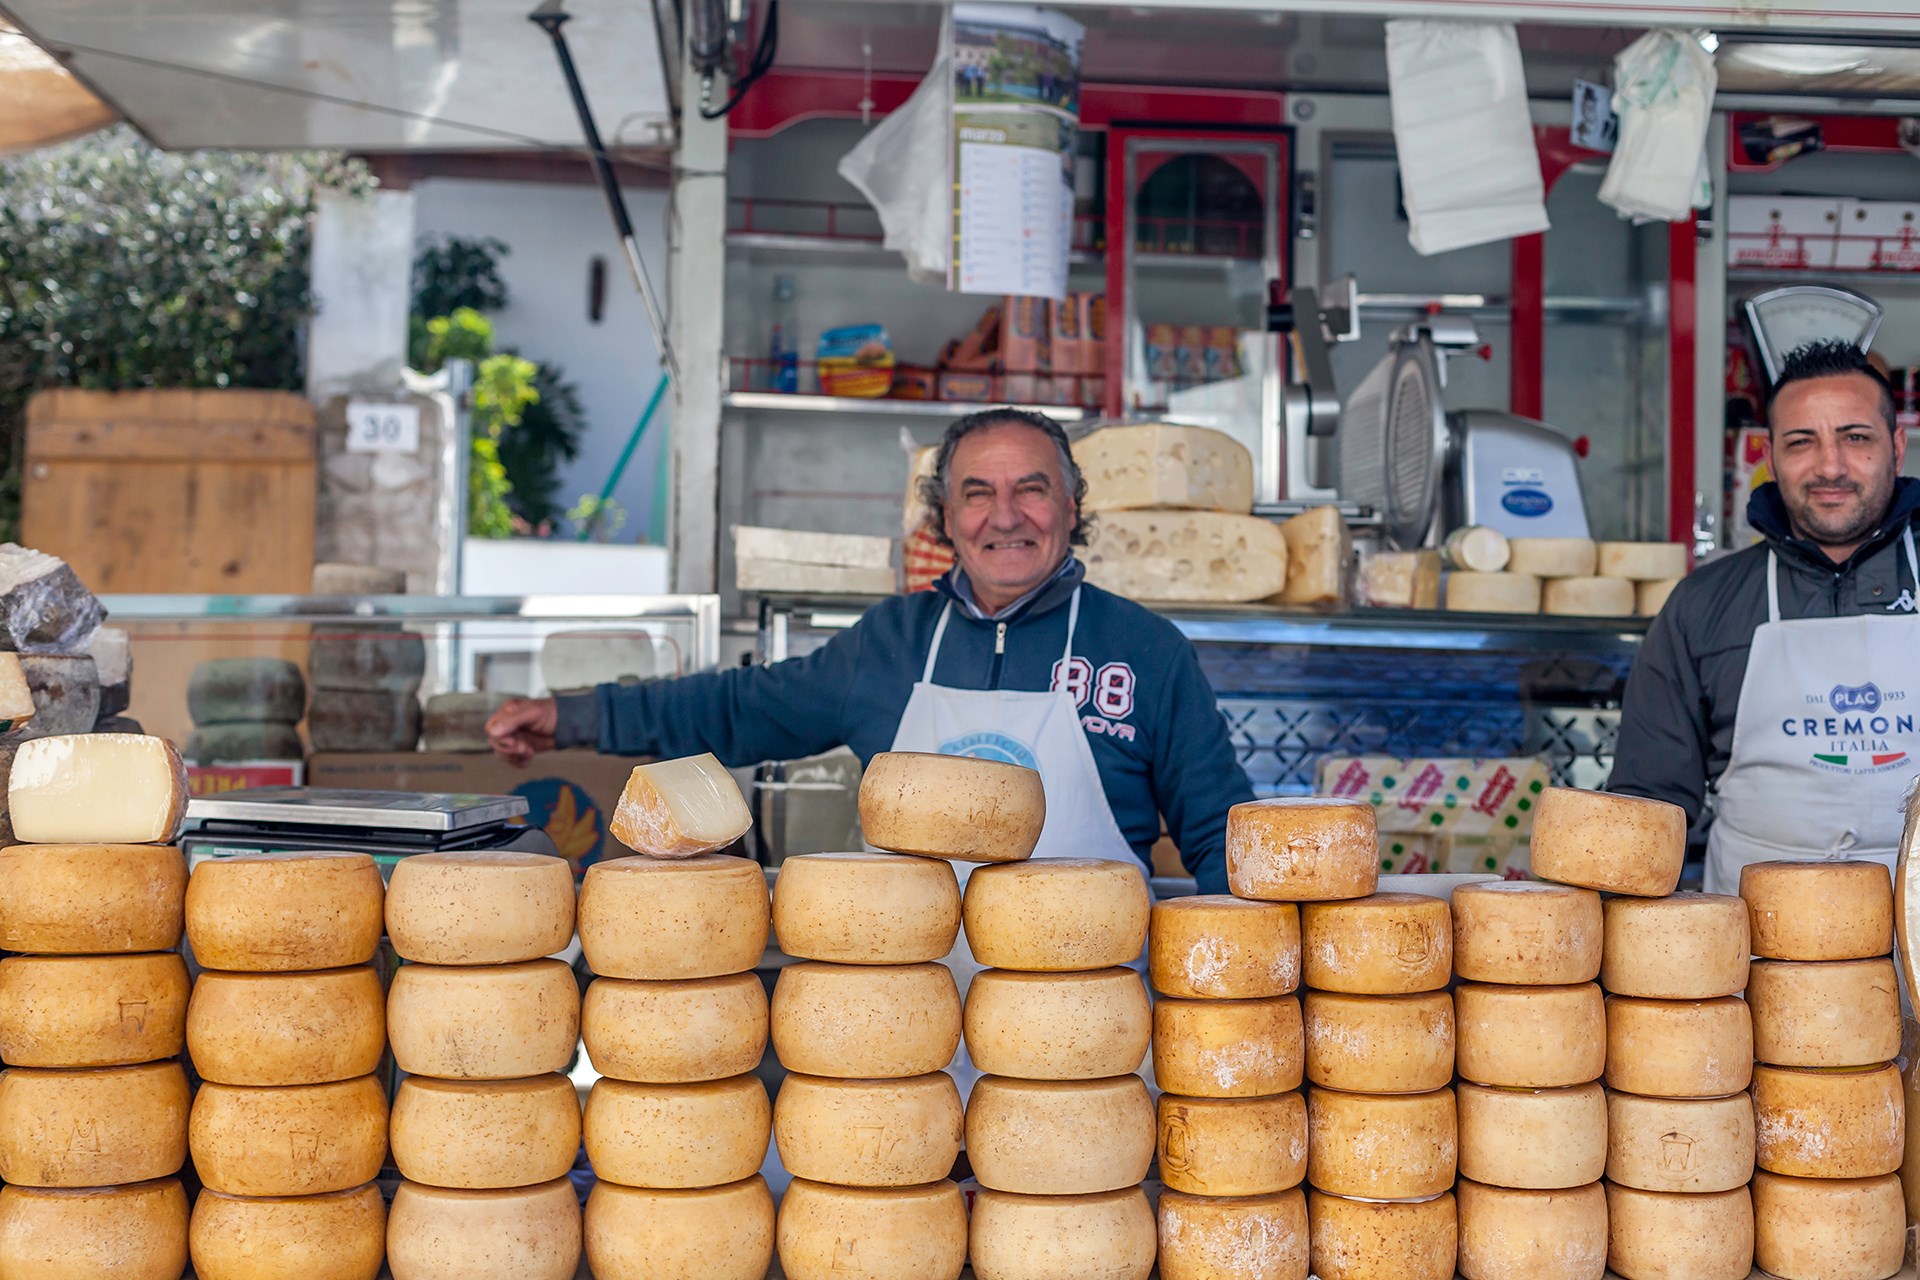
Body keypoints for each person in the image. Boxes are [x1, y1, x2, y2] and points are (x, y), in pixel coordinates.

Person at [487, 405, 1254, 890]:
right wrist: (576, 714)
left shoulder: (1148, 652)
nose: (1006, 516)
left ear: (1071, 505)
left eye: (1033, 488)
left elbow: (1222, 836)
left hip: (1088, 1027)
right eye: (977, 493)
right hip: (903, 1024)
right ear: (945, 517)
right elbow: (736, 709)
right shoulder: (890, 643)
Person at [1610, 338, 1920, 893]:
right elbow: (1646, 810)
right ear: (1770, 455)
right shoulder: (1703, 605)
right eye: (1802, 441)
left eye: (1856, 437)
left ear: (1897, 447)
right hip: (1752, 953)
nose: (1831, 465)